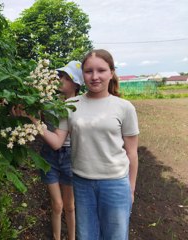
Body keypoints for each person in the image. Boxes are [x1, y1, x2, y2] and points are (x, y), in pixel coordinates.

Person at [12, 49, 139, 240]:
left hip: (115, 184)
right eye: (89, 71)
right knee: (86, 235)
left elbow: (132, 153)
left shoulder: (124, 107)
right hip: (82, 182)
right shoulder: (71, 105)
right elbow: (56, 142)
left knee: (115, 236)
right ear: (83, 75)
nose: (95, 76)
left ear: (111, 73)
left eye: (101, 70)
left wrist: (131, 189)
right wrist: (33, 120)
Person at [39, 61, 83, 240]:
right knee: (57, 204)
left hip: (70, 156)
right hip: (49, 155)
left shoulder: (81, 104)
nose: (61, 80)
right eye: (61, 76)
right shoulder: (48, 102)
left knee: (70, 206)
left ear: (77, 84)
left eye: (67, 78)